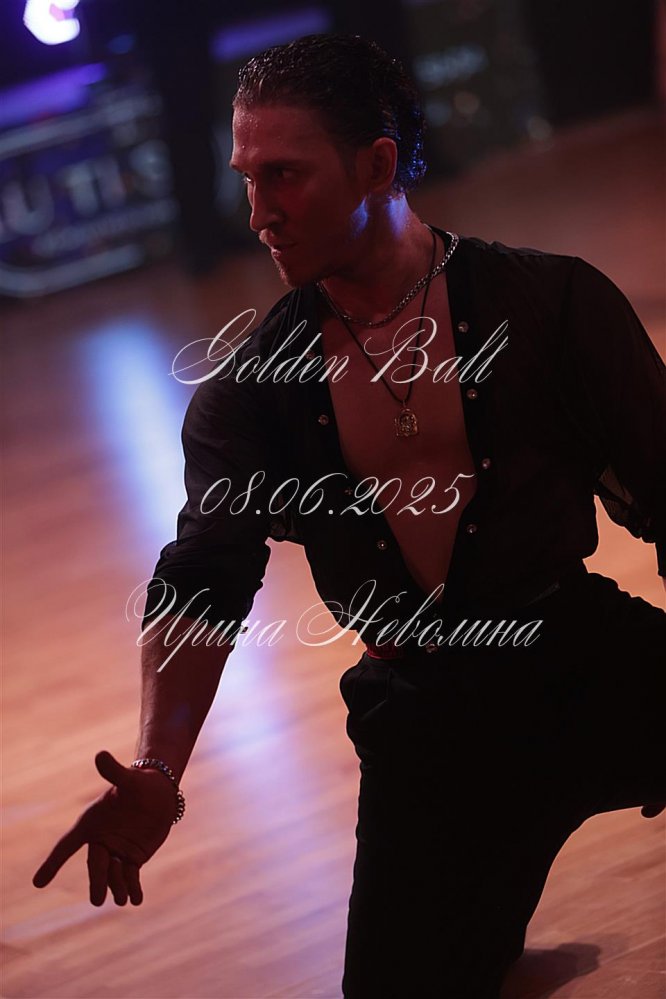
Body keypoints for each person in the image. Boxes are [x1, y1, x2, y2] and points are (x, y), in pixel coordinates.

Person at [33, 34, 666, 998]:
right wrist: (159, 769)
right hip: (429, 731)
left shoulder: (549, 301)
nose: (259, 213)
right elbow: (204, 579)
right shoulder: (251, 392)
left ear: (376, 164)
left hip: (587, 660)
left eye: (284, 176)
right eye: (247, 179)